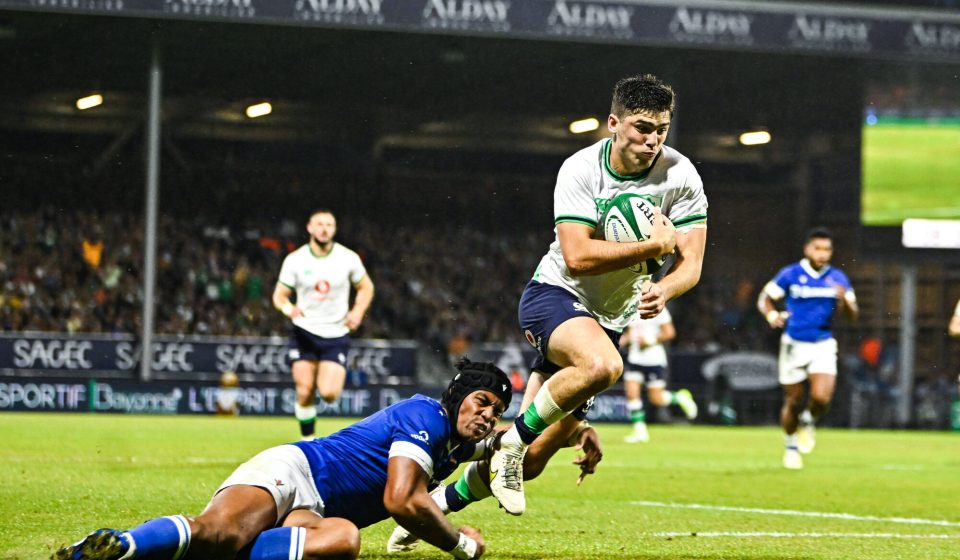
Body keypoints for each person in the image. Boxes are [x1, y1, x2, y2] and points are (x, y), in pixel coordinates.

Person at [487, 73, 708, 515]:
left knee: (530, 465)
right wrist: (650, 248)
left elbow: (693, 263)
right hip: (554, 293)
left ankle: (433, 503)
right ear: (613, 123)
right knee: (605, 365)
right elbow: (576, 256)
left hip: (608, 319)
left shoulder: (681, 175)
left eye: (661, 129)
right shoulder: (581, 168)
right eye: (642, 128)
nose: (652, 140)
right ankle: (506, 442)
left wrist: (664, 288)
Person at [53, 358, 512, 560]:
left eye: (496, 410)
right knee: (219, 531)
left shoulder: (452, 443)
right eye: (481, 401)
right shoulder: (424, 415)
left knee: (343, 541)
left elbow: (512, 439)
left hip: (313, 511)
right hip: (293, 471)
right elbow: (401, 500)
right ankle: (120, 547)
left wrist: (568, 429)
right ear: (455, 397)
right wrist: (461, 545)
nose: (488, 416)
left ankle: (221, 554)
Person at [757, 227, 859, 470]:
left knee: (821, 397)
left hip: (822, 343)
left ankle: (808, 420)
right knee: (794, 399)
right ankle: (791, 446)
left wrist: (844, 300)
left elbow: (853, 316)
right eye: (818, 248)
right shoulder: (790, 274)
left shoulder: (838, 278)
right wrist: (771, 314)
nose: (823, 254)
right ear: (807, 249)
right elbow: (764, 298)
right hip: (793, 343)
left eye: (827, 249)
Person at [272, 209, 375, 439]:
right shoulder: (295, 260)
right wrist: (290, 309)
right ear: (309, 228)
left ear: (334, 229)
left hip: (336, 333)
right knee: (305, 389)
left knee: (329, 394)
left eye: (329, 224)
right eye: (319, 224)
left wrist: (357, 312)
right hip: (304, 331)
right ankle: (307, 442)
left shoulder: (348, 258)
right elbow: (279, 295)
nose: (324, 228)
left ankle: (324, 377)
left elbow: (366, 287)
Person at [620, 306, 698, 443]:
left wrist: (650, 340)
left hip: (653, 359)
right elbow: (632, 332)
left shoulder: (657, 307)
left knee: (656, 398)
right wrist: (623, 341)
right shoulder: (631, 306)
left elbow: (669, 332)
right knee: (632, 393)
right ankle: (640, 432)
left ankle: (679, 397)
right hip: (635, 358)